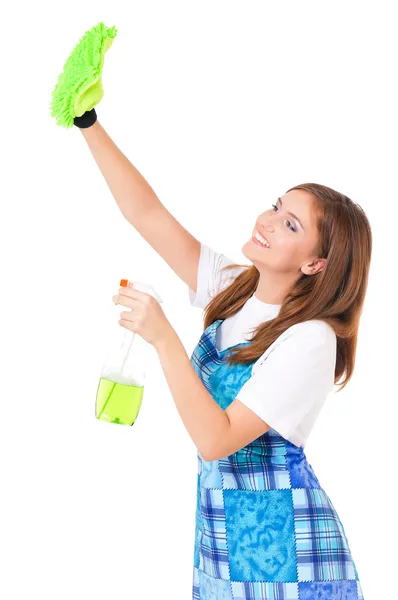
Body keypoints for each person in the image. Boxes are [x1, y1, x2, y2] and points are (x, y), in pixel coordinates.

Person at [75, 108, 370, 600]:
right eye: (277, 207)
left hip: (290, 551)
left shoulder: (310, 339)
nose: (268, 222)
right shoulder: (234, 288)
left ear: (317, 263)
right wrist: (88, 121)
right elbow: (145, 213)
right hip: (221, 535)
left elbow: (217, 440)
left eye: (291, 224)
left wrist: (164, 338)